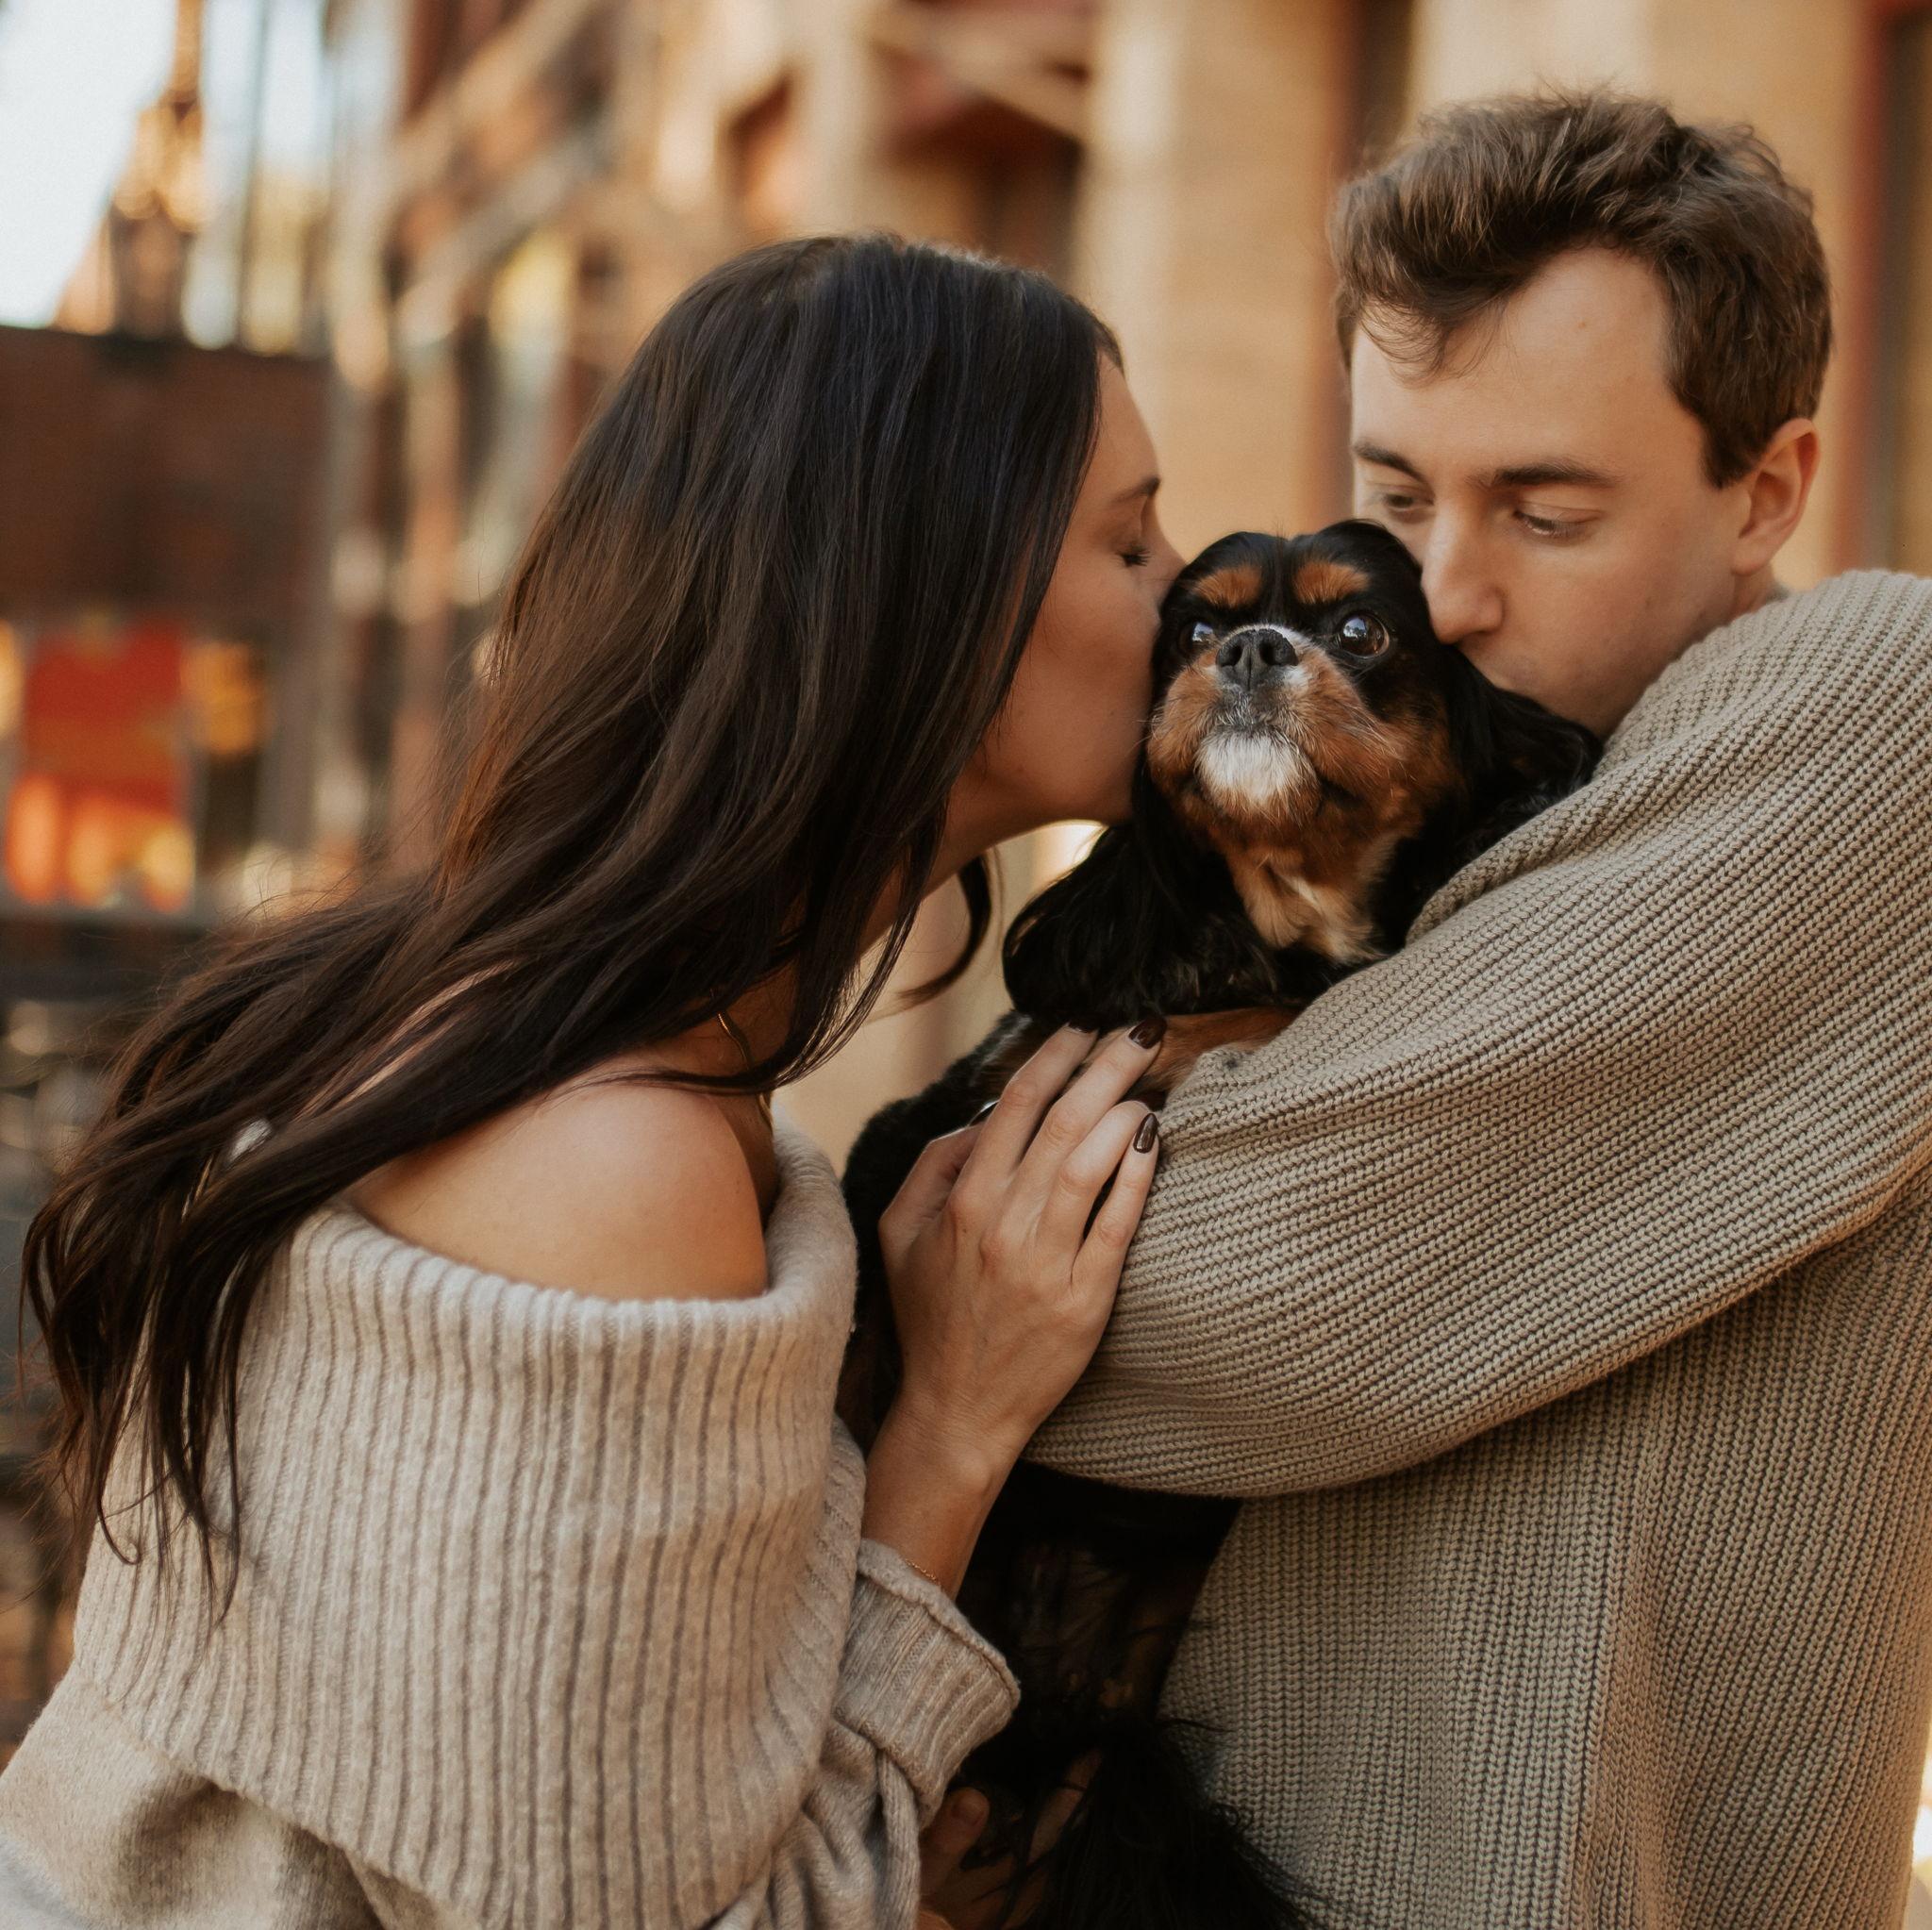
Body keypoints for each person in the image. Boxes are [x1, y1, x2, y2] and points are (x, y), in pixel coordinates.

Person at [0, 233, 1189, 1928]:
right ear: (933, 592)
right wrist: (950, 1431)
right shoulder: (606, 1164)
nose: (1188, 587)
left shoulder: (533, 1034)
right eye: (1128, 538)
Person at [1017, 90, 1932, 1929]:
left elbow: (1220, 1292)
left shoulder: (1871, 715)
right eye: (1399, 497)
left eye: (1544, 507)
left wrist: (963, 1302)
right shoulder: (1468, 811)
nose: (1438, 598)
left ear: (1766, 489)